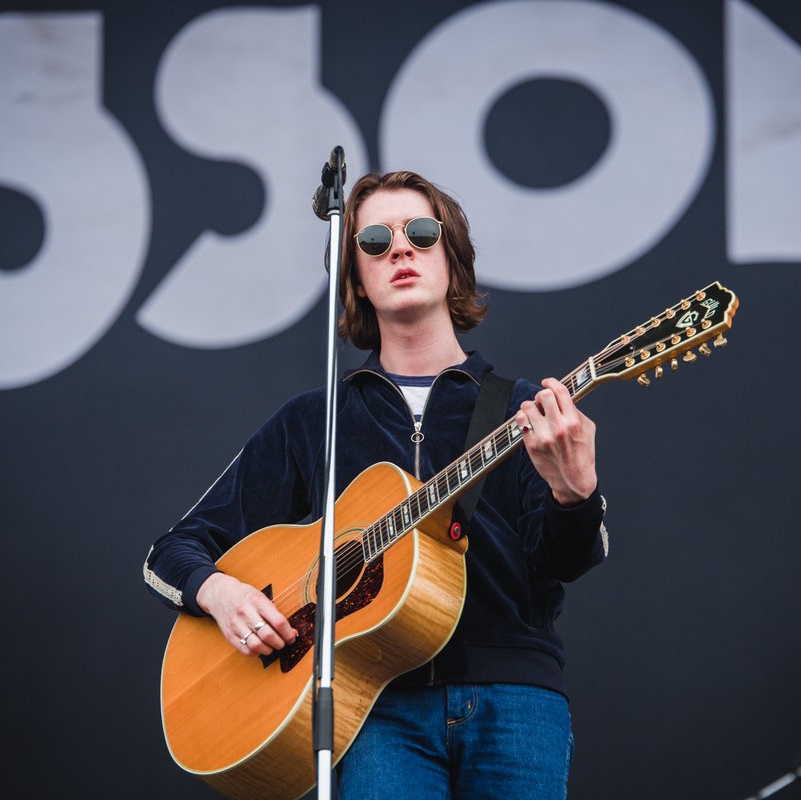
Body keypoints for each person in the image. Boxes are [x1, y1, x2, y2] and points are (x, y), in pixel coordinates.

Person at [143, 170, 609, 799]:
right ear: (355, 278)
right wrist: (221, 593)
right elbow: (170, 553)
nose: (400, 248)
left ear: (452, 257)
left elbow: (564, 562)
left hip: (515, 702)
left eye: (421, 231)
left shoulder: (526, 411)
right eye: (372, 240)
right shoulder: (318, 419)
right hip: (376, 708)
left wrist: (575, 495)